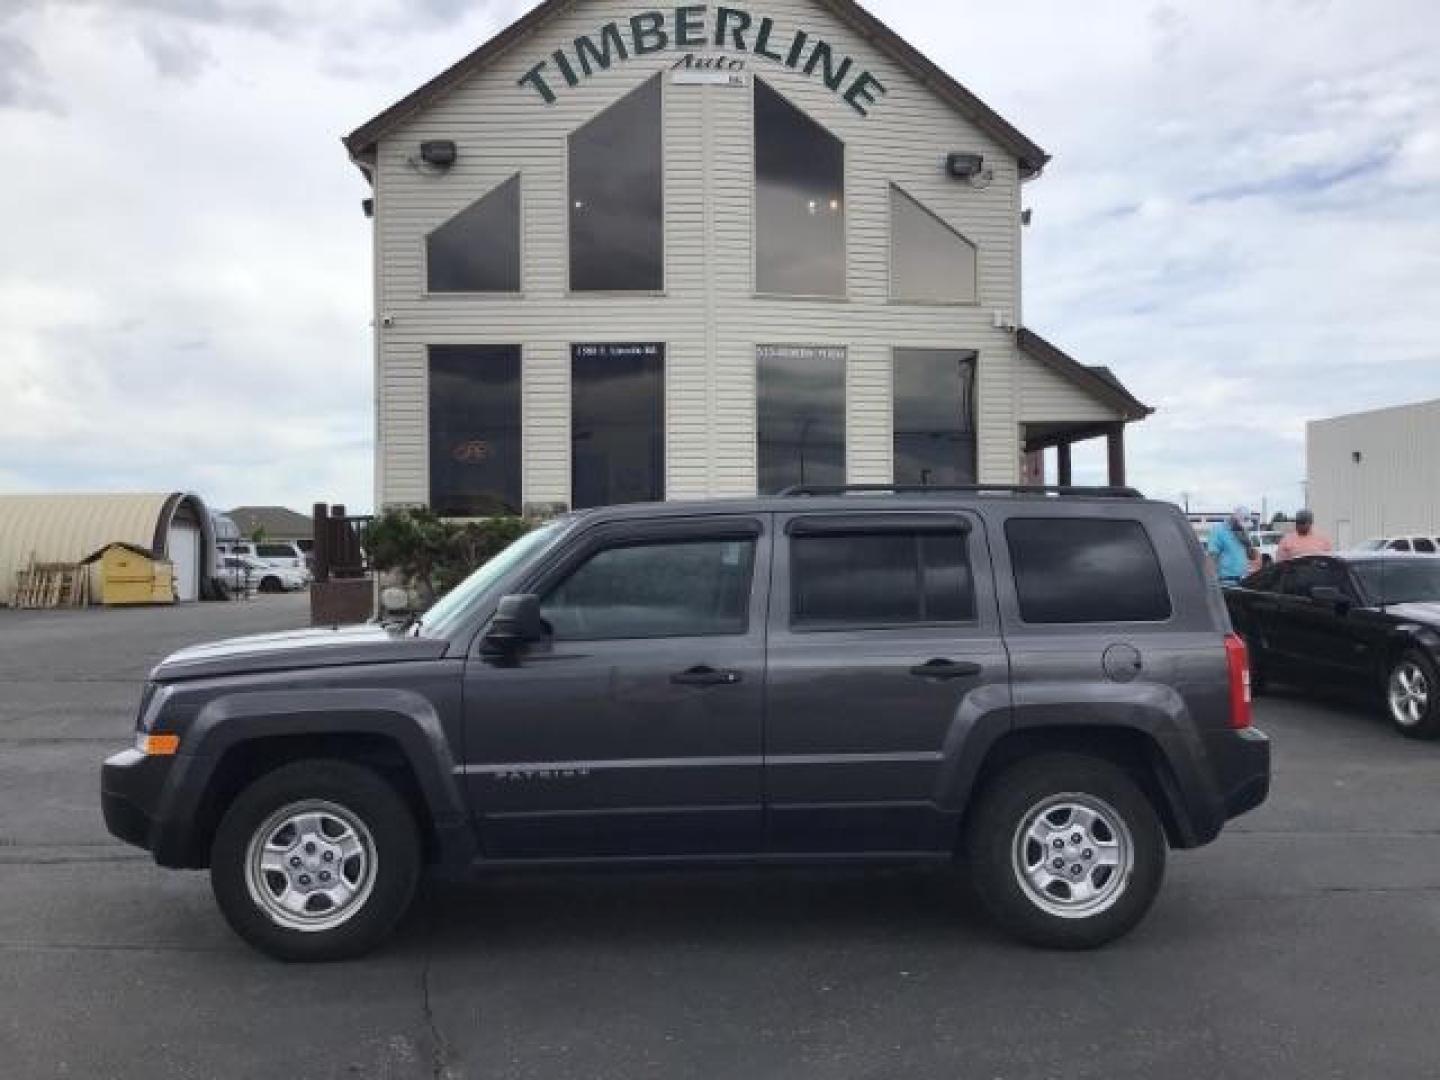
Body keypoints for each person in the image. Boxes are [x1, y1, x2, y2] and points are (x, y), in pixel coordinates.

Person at [1208, 506, 1255, 585]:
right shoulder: (1218, 530)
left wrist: (1248, 544)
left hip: (1244, 580)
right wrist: (1212, 581)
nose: (1242, 528)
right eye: (1240, 526)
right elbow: (1212, 556)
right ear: (1234, 520)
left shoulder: (1244, 532)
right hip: (1226, 582)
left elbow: (1252, 556)